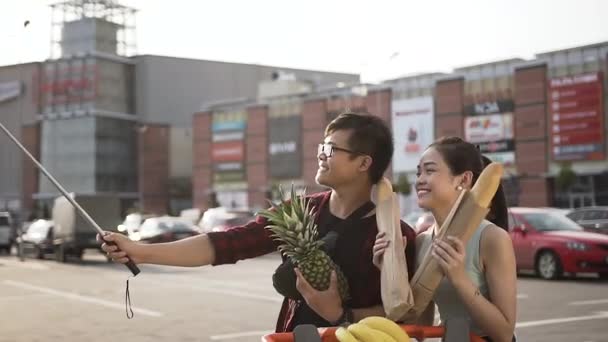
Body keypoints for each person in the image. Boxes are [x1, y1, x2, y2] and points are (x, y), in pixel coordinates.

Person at [100, 111, 417, 332]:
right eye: (322, 146)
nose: (321, 154)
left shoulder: (393, 234)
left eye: (331, 149)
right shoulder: (299, 212)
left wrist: (340, 314)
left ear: (364, 163)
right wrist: (140, 250)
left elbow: (400, 314)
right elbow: (228, 244)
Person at [373, 136, 516, 342]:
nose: (420, 179)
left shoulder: (492, 238)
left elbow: (503, 333)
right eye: (418, 172)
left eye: (430, 171)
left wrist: (459, 277)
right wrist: (388, 271)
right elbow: (420, 327)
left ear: (464, 180)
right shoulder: (422, 241)